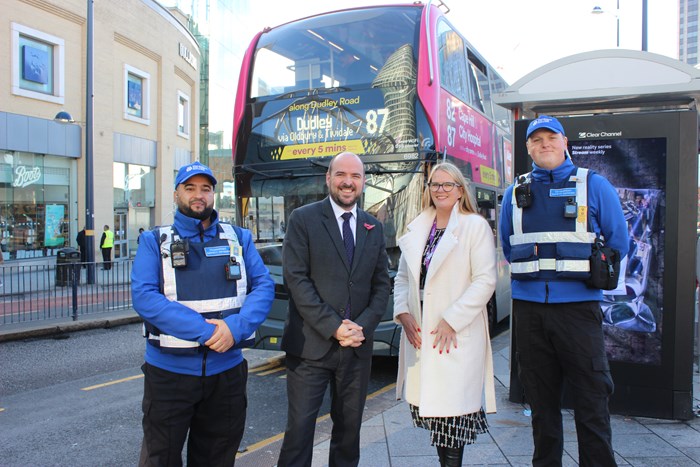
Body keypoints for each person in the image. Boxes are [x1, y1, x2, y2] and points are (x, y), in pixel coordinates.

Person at [499, 115, 629, 467]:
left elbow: (619, 241)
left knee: (591, 403)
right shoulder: (514, 193)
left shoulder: (594, 185)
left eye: (551, 138)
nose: (544, 145)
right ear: (528, 148)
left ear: (564, 142)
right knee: (541, 408)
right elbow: (509, 247)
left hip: (578, 312)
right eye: (536, 140)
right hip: (529, 314)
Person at [131, 161, 275, 466]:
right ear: (176, 194)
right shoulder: (153, 241)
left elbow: (263, 286)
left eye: (206, 189)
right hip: (169, 376)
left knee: (217, 458)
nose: (199, 195)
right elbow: (145, 297)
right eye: (190, 188)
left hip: (227, 374)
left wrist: (235, 328)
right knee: (161, 458)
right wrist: (209, 332)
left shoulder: (239, 238)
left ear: (213, 194)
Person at [277, 151, 391, 467]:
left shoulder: (373, 227)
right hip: (310, 348)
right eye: (341, 174)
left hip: (356, 349)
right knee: (299, 434)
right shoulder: (303, 219)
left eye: (355, 176)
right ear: (328, 178)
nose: (348, 182)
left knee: (348, 435)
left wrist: (361, 328)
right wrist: (335, 326)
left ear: (363, 182)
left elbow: (381, 286)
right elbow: (297, 281)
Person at [393, 162, 497, 467]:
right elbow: (402, 278)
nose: (440, 190)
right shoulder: (417, 227)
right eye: (435, 185)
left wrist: (453, 319)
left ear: (460, 190)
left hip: (454, 335)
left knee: (453, 420)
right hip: (421, 333)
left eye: (447, 184)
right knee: (437, 421)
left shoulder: (474, 226)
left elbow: (486, 280)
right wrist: (403, 314)